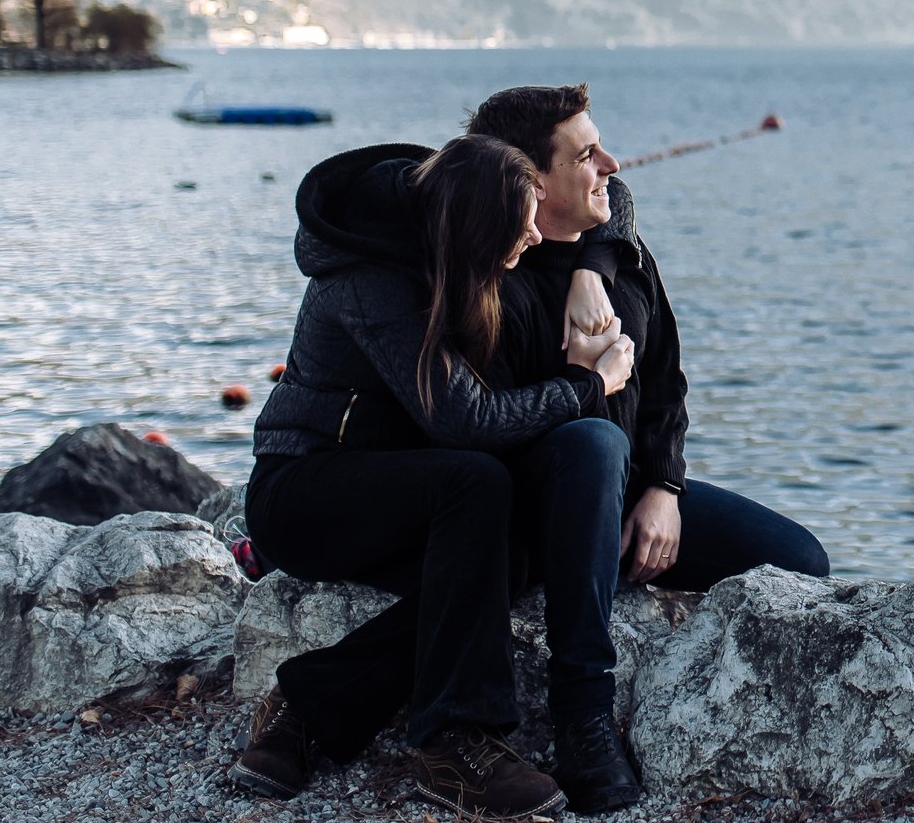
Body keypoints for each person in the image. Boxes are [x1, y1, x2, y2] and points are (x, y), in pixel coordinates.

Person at [232, 134, 635, 819]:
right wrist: (585, 385)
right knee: (476, 483)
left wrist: (591, 264)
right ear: (478, 227)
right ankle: (454, 741)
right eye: (521, 228)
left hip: (398, 488)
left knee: (502, 556)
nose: (536, 240)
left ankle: (311, 706)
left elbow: (617, 196)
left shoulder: (456, 197)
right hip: (304, 491)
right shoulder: (374, 278)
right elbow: (463, 420)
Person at [462, 84, 830, 804]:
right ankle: (584, 718)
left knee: (800, 560)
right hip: (540, 509)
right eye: (586, 154)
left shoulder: (619, 255)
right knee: (592, 439)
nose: (612, 160)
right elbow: (488, 429)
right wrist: (580, 381)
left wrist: (663, 488)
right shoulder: (487, 280)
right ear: (532, 183)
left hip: (632, 489)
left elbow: (665, 382)